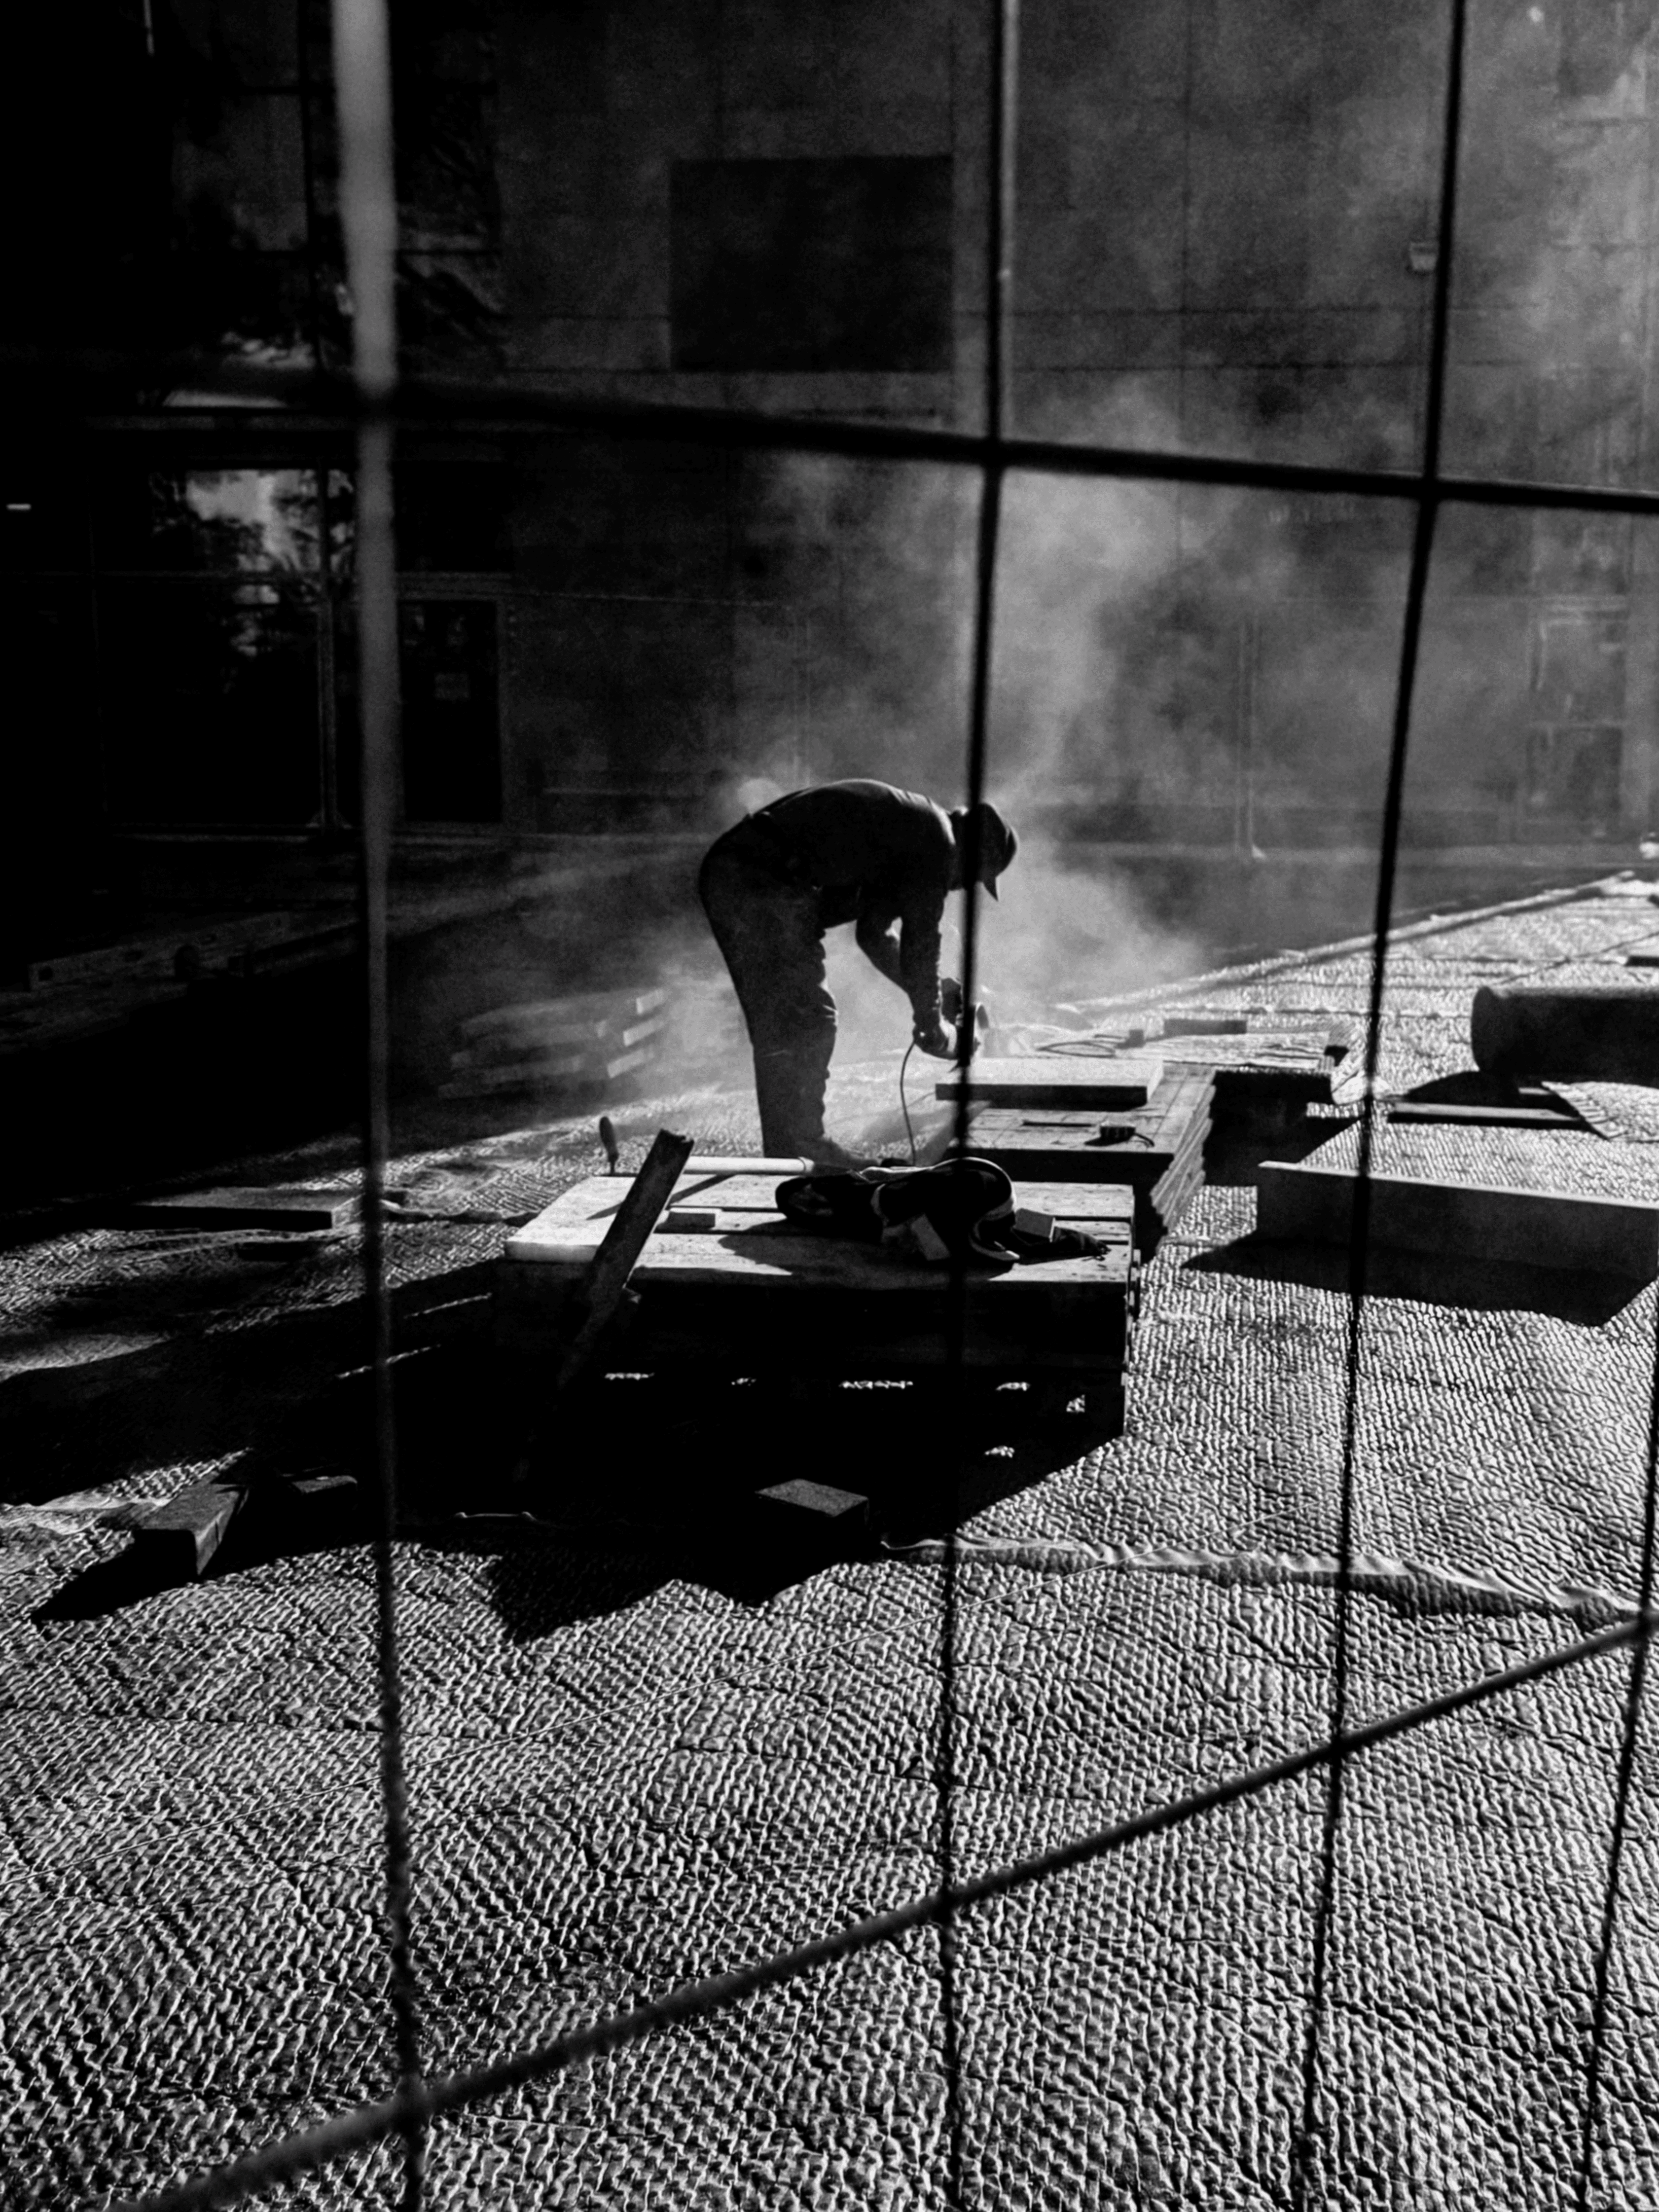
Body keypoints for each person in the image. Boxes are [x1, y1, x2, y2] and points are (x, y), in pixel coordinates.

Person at [698, 778, 1019, 1167]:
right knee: (809, 1020)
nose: (960, 888)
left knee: (782, 1029)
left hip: (743, 872)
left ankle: (785, 1161)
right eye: (969, 879)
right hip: (762, 877)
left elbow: (874, 934)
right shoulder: (935, 839)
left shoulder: (914, 834)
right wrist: (931, 1023)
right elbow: (921, 941)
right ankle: (804, 1147)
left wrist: (928, 991)